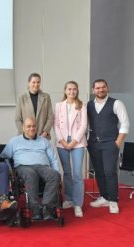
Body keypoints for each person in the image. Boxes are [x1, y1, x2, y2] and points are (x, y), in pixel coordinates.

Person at [1, 117, 60, 220]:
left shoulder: (44, 141)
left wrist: (57, 172)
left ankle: (47, 208)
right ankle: (35, 209)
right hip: (23, 167)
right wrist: (10, 170)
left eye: (33, 126)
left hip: (42, 166)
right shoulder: (15, 141)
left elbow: (53, 159)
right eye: (28, 126)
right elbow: (4, 156)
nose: (31, 128)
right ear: (23, 128)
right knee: (31, 175)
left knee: (55, 175)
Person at [87, 79, 130, 214]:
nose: (100, 90)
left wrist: (117, 142)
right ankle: (104, 197)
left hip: (110, 143)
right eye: (97, 88)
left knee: (110, 172)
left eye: (103, 87)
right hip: (93, 144)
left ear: (107, 88)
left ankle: (113, 200)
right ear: (93, 90)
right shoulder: (88, 105)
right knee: (99, 172)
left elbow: (125, 124)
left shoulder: (116, 103)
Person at [54, 81, 87, 217]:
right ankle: (68, 199)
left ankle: (78, 204)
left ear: (77, 91)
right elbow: (55, 125)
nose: (72, 91)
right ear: (65, 90)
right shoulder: (58, 106)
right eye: (69, 89)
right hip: (62, 143)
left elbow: (84, 125)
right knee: (66, 172)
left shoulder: (81, 105)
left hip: (77, 143)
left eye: (74, 89)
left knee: (77, 174)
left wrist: (73, 142)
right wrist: (62, 141)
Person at [15, 73, 54, 139]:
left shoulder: (46, 97)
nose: (36, 84)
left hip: (42, 136)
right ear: (29, 83)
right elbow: (17, 119)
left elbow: (50, 117)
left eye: (38, 82)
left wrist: (45, 131)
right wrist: (25, 133)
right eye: (33, 82)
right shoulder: (21, 98)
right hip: (25, 137)